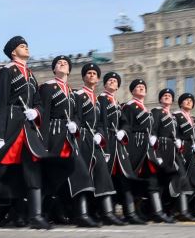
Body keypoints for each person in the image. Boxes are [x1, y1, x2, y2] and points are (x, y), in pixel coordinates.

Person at [0, 36, 68, 229]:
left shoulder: (30, 74)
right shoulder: (7, 71)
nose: (26, 47)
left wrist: (36, 111)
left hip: (26, 128)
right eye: (22, 46)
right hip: (10, 125)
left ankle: (35, 216)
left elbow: (38, 102)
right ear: (13, 52)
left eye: (26, 45)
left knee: (33, 168)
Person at [38, 55, 97, 227]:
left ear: (69, 70)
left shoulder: (72, 92)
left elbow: (77, 115)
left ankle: (81, 214)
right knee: (52, 178)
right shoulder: (48, 87)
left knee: (79, 172)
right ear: (54, 69)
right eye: (59, 63)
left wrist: (76, 125)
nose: (62, 64)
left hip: (69, 139)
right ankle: (45, 213)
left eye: (65, 63)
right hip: (54, 136)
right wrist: (43, 141)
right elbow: (45, 114)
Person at [74, 63, 123, 226]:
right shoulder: (79, 95)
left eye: (95, 73)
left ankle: (107, 212)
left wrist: (101, 137)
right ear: (84, 77)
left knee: (102, 173)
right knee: (83, 174)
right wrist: (76, 127)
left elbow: (102, 123)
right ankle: (82, 213)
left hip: (95, 140)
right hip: (82, 137)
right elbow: (76, 116)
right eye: (89, 73)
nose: (92, 75)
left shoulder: (97, 99)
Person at [121, 80, 174, 223]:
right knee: (131, 178)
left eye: (143, 87)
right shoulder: (130, 106)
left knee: (152, 178)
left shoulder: (145, 109)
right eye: (138, 87)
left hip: (146, 147)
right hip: (135, 145)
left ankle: (156, 211)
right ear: (132, 91)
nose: (141, 88)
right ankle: (130, 213)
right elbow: (126, 126)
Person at [97, 72, 145, 224]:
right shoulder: (102, 99)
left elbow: (125, 122)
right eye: (109, 80)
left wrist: (123, 131)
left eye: (115, 81)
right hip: (108, 141)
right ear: (105, 85)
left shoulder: (117, 103)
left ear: (118, 86)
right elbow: (101, 121)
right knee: (107, 178)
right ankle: (106, 213)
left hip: (117, 143)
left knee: (124, 178)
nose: (112, 82)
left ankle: (130, 213)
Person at [150, 88, 191, 222]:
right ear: (160, 99)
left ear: (172, 100)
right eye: (165, 95)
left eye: (169, 96)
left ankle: (172, 209)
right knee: (163, 179)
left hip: (172, 149)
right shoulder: (157, 111)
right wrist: (153, 138)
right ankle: (162, 211)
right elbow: (154, 126)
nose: (167, 97)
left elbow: (176, 132)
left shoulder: (173, 116)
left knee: (178, 177)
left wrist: (178, 140)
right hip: (161, 146)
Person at [173, 93, 195, 221]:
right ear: (181, 103)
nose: (188, 102)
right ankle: (182, 211)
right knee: (182, 178)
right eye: (186, 100)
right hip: (180, 149)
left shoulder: (192, 119)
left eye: (190, 100)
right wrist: (177, 140)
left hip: (191, 151)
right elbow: (173, 130)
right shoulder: (176, 115)